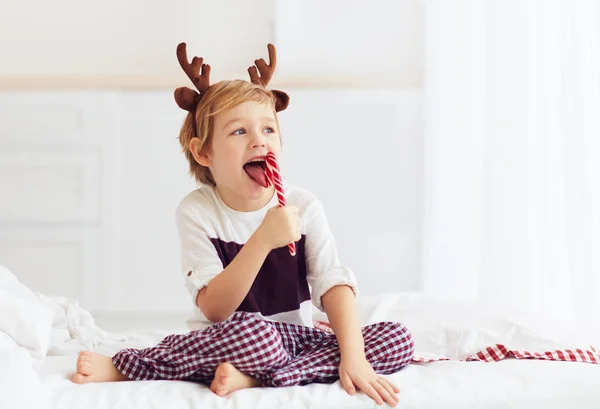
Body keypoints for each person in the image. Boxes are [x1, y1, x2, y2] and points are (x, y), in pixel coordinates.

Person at [71, 43, 414, 407]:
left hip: (295, 339)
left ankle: (263, 377)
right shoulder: (197, 212)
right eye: (239, 132)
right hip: (234, 336)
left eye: (268, 129)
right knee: (257, 337)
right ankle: (132, 365)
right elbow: (215, 309)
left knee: (397, 339)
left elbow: (332, 283)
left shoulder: (304, 206)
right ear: (204, 152)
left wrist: (354, 355)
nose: (258, 140)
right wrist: (262, 240)